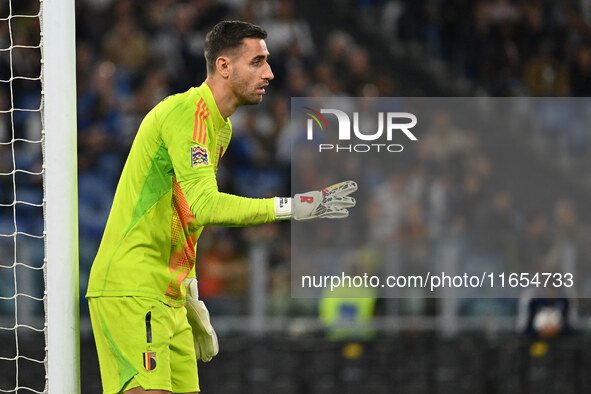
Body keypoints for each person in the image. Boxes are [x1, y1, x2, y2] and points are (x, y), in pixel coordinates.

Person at [85, 21, 357, 394]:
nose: (270, 73)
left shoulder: (221, 128)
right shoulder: (186, 114)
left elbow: (182, 212)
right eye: (257, 62)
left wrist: (188, 286)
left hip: (170, 294)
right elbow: (204, 205)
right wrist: (291, 207)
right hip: (133, 288)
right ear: (225, 66)